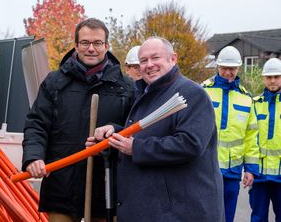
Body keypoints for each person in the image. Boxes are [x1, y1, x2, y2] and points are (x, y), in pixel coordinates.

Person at [87, 36, 224, 222]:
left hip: (179, 212)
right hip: (153, 209)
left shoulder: (191, 94)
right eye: (143, 61)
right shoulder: (147, 94)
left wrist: (135, 148)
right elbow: (146, 132)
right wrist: (113, 134)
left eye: (155, 58)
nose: (149, 65)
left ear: (172, 58)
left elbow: (190, 144)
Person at [21, 18, 134, 222]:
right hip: (62, 184)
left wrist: (113, 131)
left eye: (97, 43)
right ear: (76, 45)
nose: (91, 48)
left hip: (106, 187)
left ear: (107, 46)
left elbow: (133, 128)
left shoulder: (125, 87)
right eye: (85, 43)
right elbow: (37, 123)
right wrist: (33, 157)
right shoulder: (55, 82)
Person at [202, 46, 259, 222]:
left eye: (232, 68)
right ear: (217, 67)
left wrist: (250, 169)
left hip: (233, 172)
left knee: (227, 216)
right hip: (206, 169)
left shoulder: (246, 98)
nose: (228, 72)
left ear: (238, 68)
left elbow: (251, 137)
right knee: (205, 214)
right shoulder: (203, 91)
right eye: (224, 68)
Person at [251, 58, 281, 222]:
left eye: (277, 77)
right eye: (269, 77)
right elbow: (248, 139)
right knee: (258, 218)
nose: (273, 81)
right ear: (263, 78)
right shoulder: (254, 104)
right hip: (259, 176)